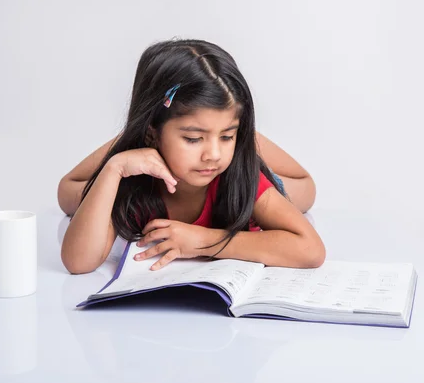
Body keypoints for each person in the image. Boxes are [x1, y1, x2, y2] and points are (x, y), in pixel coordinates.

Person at [59, 39, 325, 274]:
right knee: (74, 194)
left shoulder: (240, 176)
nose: (212, 155)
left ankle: (237, 137)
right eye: (193, 139)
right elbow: (78, 262)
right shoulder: (133, 177)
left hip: (265, 177)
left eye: (227, 136)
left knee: (302, 188)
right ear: (153, 132)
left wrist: (203, 240)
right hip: (148, 142)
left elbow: (311, 249)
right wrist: (115, 167)